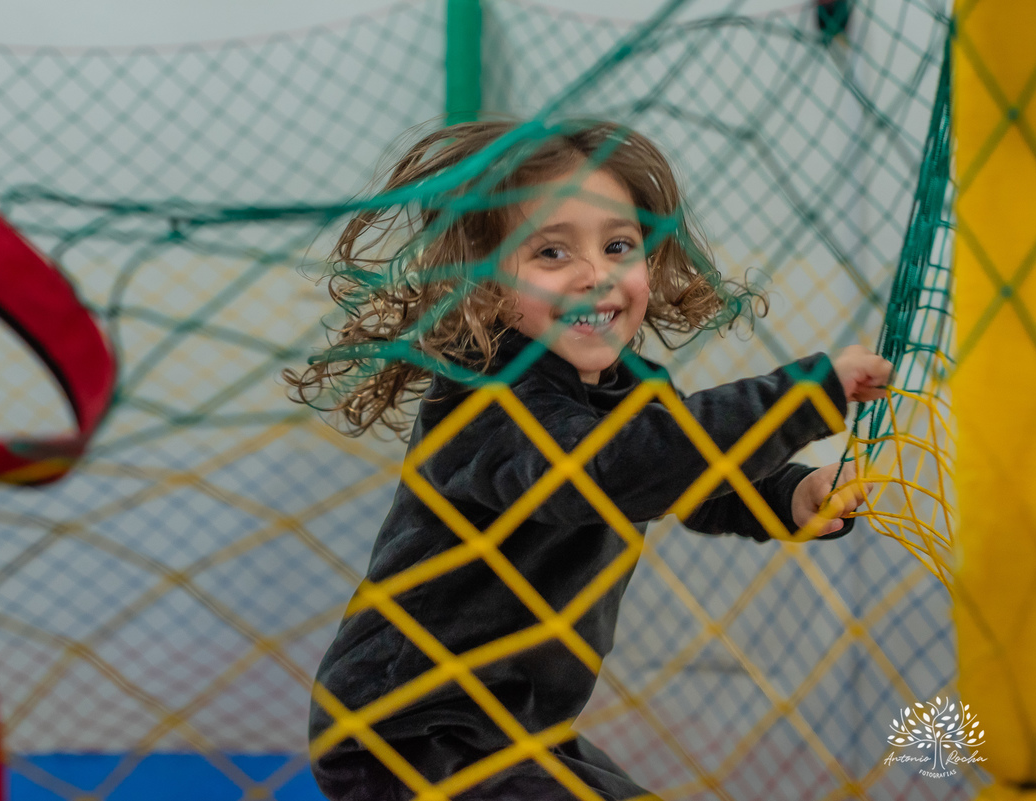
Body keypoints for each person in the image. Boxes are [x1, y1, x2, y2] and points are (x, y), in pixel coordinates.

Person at [285, 119, 892, 801]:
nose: (596, 274)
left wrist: (787, 495)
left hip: (521, 727)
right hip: (408, 731)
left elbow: (685, 478)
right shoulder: (482, 401)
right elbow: (611, 470)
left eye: (618, 246)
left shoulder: (631, 386)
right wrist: (802, 396)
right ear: (485, 285)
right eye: (551, 252)